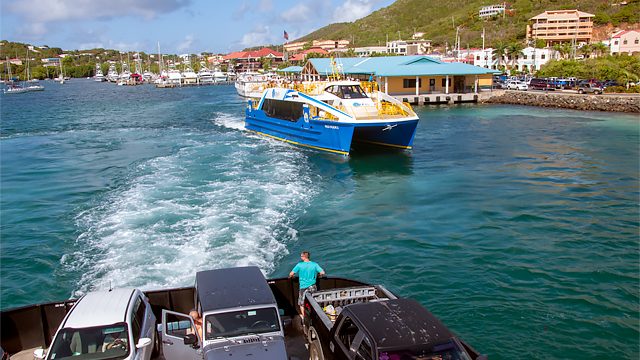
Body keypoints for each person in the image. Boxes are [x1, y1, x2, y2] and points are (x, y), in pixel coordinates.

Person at [289, 251, 325, 320]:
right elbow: (322, 272)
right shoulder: (315, 264)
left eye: (301, 256)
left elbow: (291, 274)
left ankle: (303, 317)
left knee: (301, 303)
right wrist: (319, 275)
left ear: (303, 257)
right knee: (314, 301)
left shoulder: (299, 265)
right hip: (313, 286)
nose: (300, 257)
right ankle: (316, 315)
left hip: (303, 287)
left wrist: (293, 277)